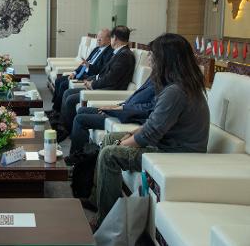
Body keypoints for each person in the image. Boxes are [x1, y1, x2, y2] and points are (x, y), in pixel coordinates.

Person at [92, 33, 209, 229]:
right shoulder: (179, 86)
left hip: (176, 153)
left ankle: (106, 221)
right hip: (168, 142)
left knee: (110, 154)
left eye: (153, 55)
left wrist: (124, 143)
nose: (149, 59)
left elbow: (150, 134)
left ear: (166, 59)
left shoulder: (175, 91)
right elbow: (156, 123)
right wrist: (131, 134)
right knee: (111, 137)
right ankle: (100, 199)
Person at [56, 26, 136, 141]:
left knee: (70, 98)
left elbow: (110, 79)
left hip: (108, 91)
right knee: (68, 93)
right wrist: (92, 80)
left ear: (115, 39)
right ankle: (64, 127)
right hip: (102, 86)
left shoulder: (124, 55)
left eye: (112, 37)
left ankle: (66, 131)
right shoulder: (120, 53)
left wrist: (93, 84)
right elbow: (104, 73)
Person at [68, 76, 156, 154]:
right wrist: (116, 106)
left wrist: (117, 109)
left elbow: (148, 108)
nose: (148, 57)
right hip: (122, 110)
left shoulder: (164, 84)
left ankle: (77, 158)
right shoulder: (154, 76)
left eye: (151, 56)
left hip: (131, 116)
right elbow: (135, 98)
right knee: (82, 110)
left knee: (80, 119)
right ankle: (81, 153)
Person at [51, 29, 113, 113]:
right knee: (58, 80)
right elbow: (84, 63)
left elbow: (100, 70)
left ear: (109, 39)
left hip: (88, 77)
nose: (98, 39)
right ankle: (55, 109)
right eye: (97, 37)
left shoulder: (109, 52)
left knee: (63, 84)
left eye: (101, 38)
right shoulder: (96, 49)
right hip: (81, 73)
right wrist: (74, 72)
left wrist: (88, 66)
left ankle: (57, 112)